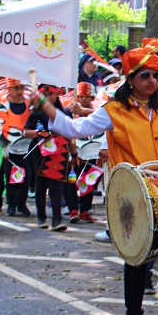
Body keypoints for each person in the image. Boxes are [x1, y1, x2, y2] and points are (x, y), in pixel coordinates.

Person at [33, 47, 158, 315]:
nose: (152, 81)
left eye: (156, 75)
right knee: (138, 254)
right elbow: (75, 128)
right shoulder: (113, 111)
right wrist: (46, 106)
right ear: (130, 79)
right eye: (145, 75)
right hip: (134, 194)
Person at [24, 84, 72, 231]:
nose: (47, 97)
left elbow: (72, 134)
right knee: (41, 184)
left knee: (56, 185)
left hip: (60, 151)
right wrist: (38, 133)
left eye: (50, 93)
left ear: (57, 95)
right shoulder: (35, 113)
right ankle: (41, 216)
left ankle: (57, 219)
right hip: (39, 152)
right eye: (44, 94)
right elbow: (26, 132)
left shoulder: (64, 112)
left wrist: (74, 154)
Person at [64, 82, 99, 223]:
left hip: (91, 154)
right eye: (81, 96)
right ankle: (73, 210)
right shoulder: (70, 113)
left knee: (88, 182)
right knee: (71, 182)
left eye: (87, 96)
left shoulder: (97, 114)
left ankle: (85, 210)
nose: (84, 99)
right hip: (74, 155)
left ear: (92, 98)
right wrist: (70, 153)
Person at [0, 79, 32, 217]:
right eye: (15, 88)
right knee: (10, 177)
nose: (19, 92)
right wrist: (2, 148)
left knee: (26, 177)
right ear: (9, 90)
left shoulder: (29, 106)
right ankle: (11, 203)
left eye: (21, 88)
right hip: (9, 148)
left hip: (26, 148)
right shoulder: (3, 107)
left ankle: (21, 203)